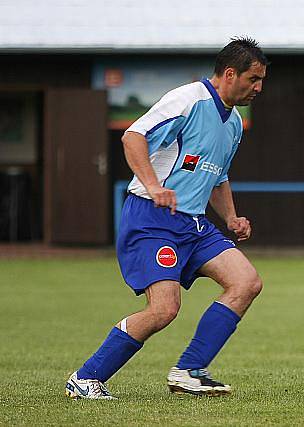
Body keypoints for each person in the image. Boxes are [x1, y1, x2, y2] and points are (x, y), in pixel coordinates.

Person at [65, 37, 268, 399]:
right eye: (253, 79)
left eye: (261, 80)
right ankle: (86, 377)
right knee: (164, 309)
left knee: (247, 282)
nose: (258, 88)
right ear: (230, 73)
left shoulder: (234, 122)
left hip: (193, 224)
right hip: (152, 217)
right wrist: (153, 185)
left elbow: (217, 175)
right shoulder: (187, 99)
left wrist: (232, 217)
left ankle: (190, 370)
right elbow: (132, 137)